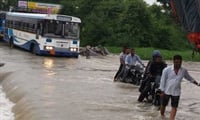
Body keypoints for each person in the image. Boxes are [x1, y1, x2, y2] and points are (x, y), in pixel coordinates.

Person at [159, 55, 200, 120]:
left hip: (176, 92)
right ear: (173, 62)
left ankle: (171, 119)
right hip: (167, 90)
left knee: (174, 107)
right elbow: (162, 81)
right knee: (163, 105)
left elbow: (189, 78)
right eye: (176, 62)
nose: (178, 64)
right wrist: (161, 91)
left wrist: (197, 83)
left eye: (179, 62)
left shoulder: (183, 70)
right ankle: (162, 116)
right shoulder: (166, 70)